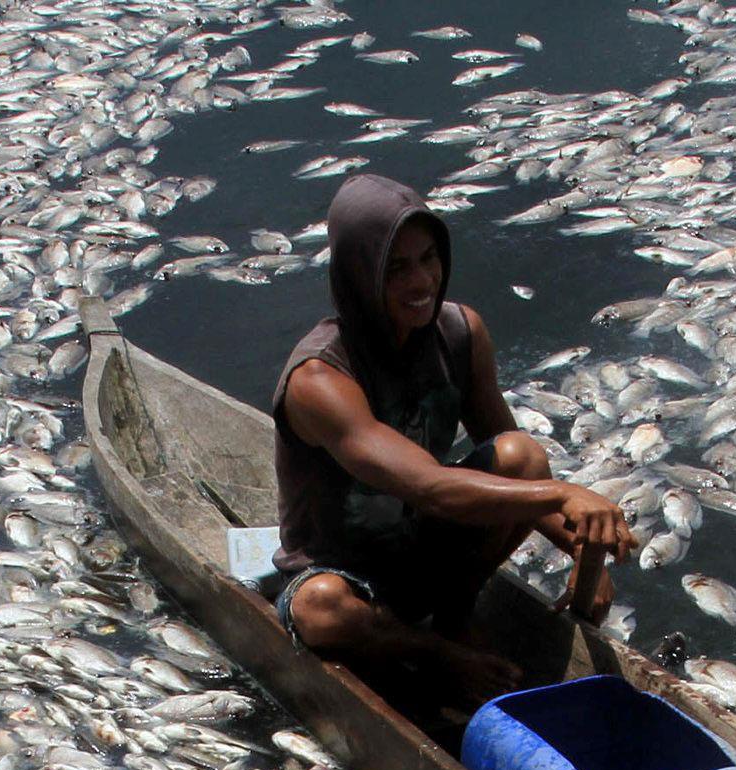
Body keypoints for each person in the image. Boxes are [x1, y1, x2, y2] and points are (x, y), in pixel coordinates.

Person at [267, 173, 638, 711]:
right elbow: (430, 487)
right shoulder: (318, 378)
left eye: (429, 259)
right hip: (341, 570)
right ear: (358, 277)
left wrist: (584, 546)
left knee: (522, 454)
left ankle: (456, 614)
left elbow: (519, 469)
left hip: (423, 552)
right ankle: (436, 652)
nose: (422, 281)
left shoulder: (462, 334)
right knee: (323, 608)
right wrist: (565, 498)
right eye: (397, 269)